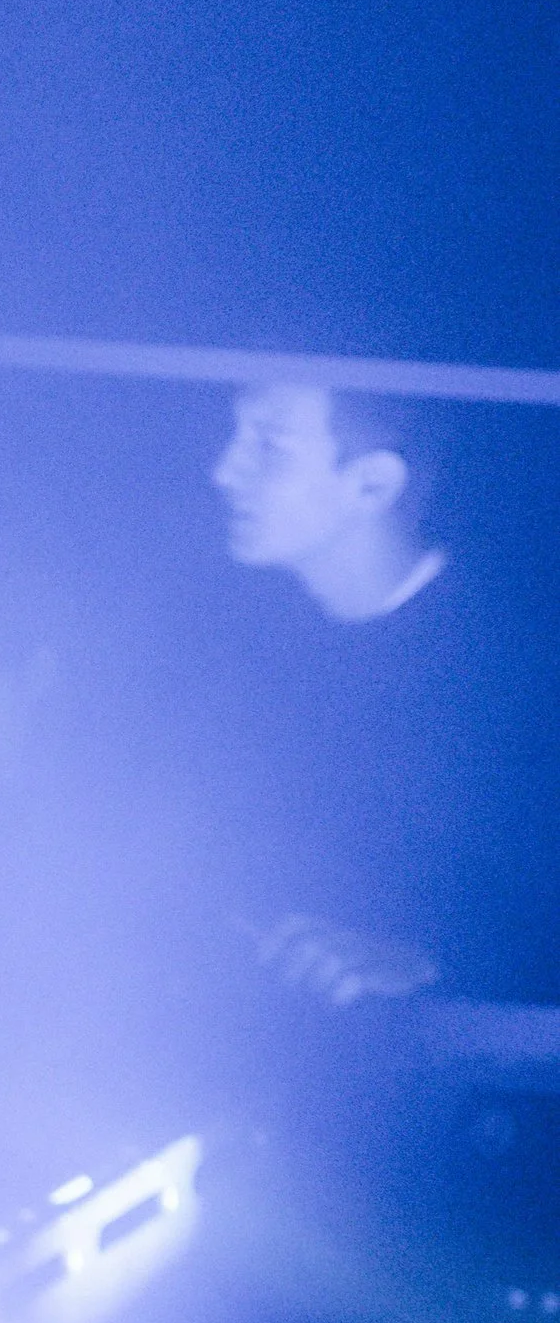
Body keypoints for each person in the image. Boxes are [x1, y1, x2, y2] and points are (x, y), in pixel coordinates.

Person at [209, 378, 560, 1010]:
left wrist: (432, 968)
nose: (223, 472)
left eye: (269, 447)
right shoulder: (230, 650)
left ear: (372, 484)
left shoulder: (529, 673)